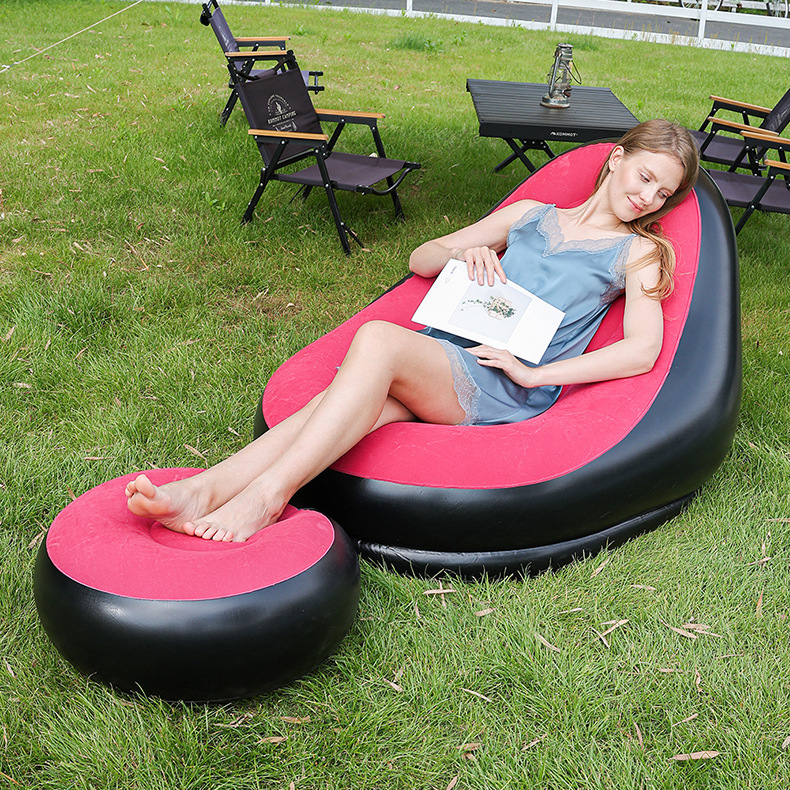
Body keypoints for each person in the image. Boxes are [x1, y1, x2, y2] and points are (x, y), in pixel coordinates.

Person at [126, 119, 699, 542]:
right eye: (645, 176)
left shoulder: (639, 252)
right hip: (447, 352)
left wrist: (538, 373)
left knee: (378, 339)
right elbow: (420, 258)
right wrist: (464, 253)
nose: (647, 197)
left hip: (505, 381)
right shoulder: (530, 215)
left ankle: (266, 498)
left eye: (663, 193)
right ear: (616, 158)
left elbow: (642, 350)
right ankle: (202, 489)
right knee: (344, 405)